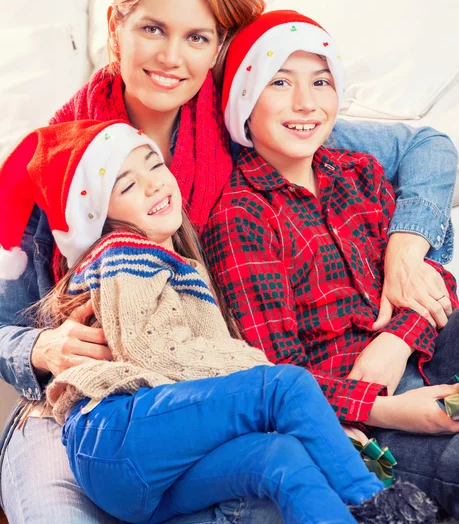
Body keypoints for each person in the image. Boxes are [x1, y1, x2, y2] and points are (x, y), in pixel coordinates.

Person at [0, 0, 456, 524]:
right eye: (153, 28)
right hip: (77, 404)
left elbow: (426, 148)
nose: (171, 56)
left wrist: (406, 247)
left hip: (218, 393)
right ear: (117, 25)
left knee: (284, 485)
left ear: (217, 49)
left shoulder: (253, 121)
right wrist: (38, 346)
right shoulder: (56, 162)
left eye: (196, 37)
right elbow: (5, 324)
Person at [0, 118, 437, 524]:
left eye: (155, 165)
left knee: (279, 459)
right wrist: (264, 378)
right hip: (114, 431)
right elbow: (154, 350)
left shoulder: (180, 264)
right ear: (98, 216)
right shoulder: (123, 254)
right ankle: (378, 505)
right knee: (287, 386)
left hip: (145, 474)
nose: (154, 185)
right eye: (128, 185)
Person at [203, 9, 459, 517]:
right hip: (356, 420)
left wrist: (396, 341)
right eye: (280, 82)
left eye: (321, 82)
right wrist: (384, 408)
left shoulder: (358, 172)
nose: (306, 103)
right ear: (244, 104)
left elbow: (436, 282)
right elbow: (280, 378)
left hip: (419, 351)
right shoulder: (241, 215)